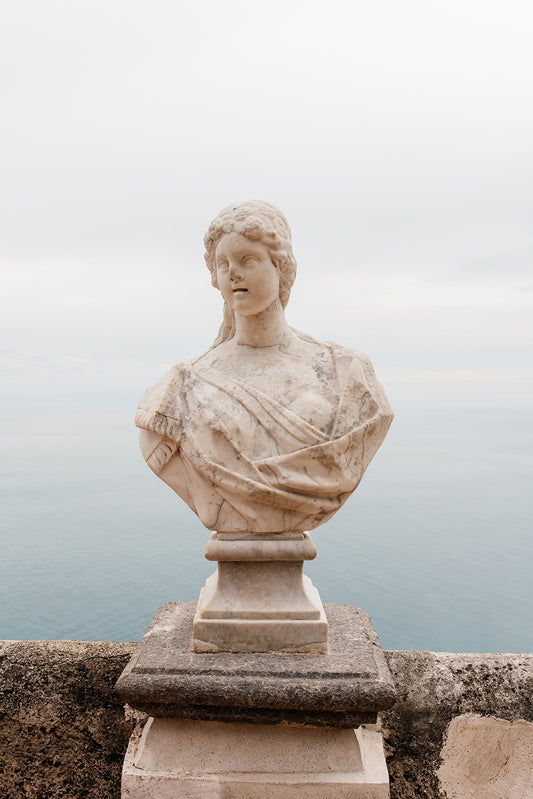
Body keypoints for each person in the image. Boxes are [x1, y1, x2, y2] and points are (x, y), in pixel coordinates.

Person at [136, 201, 393, 533]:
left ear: (281, 267)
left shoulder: (345, 371)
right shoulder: (181, 387)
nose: (233, 273)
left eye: (248, 260)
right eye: (223, 264)